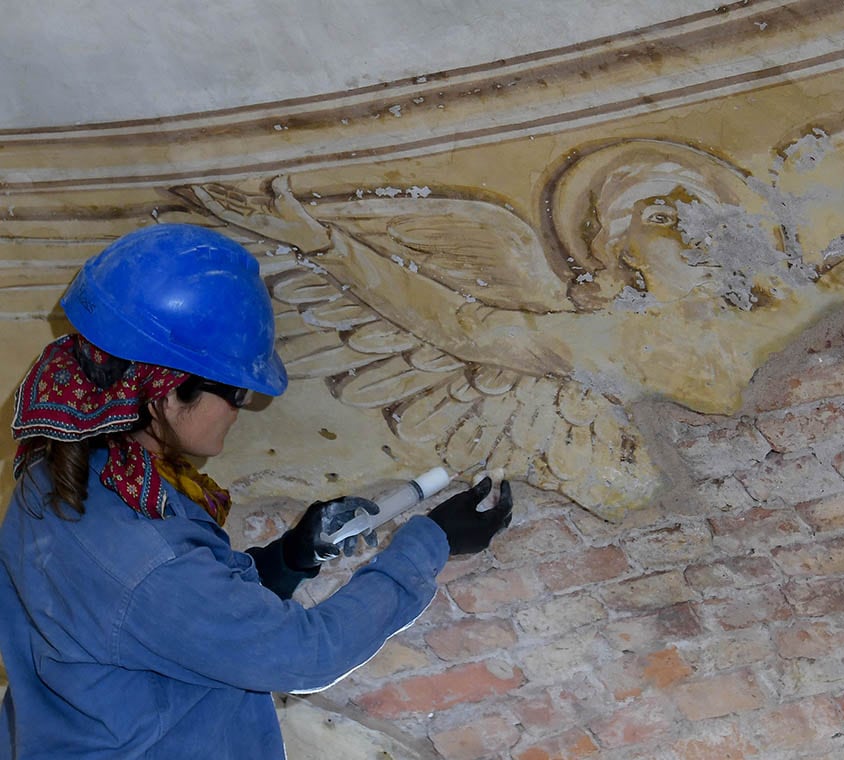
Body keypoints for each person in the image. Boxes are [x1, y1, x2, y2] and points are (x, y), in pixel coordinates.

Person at [0, 224, 512, 758]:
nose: (242, 408)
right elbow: (307, 655)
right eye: (237, 391)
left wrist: (291, 556)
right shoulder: (147, 561)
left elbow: (187, 612)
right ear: (165, 394)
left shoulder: (63, 471)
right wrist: (432, 541)